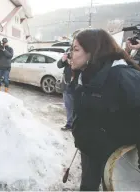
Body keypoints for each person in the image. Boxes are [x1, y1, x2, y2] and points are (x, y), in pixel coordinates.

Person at [71, 28, 140, 191]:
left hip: (117, 155)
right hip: (89, 150)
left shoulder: (125, 77)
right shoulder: (85, 76)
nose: (70, 55)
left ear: (93, 51)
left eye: (75, 49)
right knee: (88, 187)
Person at [57, 51, 80, 131]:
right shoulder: (67, 59)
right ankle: (69, 124)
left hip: (75, 86)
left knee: (76, 107)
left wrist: (73, 63)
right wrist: (63, 59)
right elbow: (59, 65)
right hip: (66, 86)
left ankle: (76, 125)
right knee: (68, 106)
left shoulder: (79, 58)